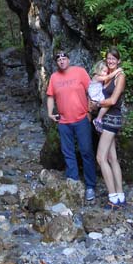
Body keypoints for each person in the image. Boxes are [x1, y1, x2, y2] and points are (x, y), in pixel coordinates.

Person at [46, 50, 97, 202]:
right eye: (58, 59)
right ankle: (73, 182)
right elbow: (50, 96)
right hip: (64, 122)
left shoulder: (80, 72)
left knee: (86, 151)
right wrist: (50, 113)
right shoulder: (54, 77)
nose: (61, 61)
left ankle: (90, 186)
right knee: (68, 152)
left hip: (81, 119)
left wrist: (90, 110)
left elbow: (92, 91)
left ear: (69, 59)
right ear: (56, 63)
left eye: (64, 58)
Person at [93, 47, 126, 209]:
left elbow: (113, 101)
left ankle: (112, 198)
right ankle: (120, 196)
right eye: (108, 59)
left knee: (100, 158)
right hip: (105, 118)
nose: (110, 61)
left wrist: (97, 104)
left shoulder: (120, 76)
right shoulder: (106, 76)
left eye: (113, 59)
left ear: (118, 60)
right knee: (112, 158)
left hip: (112, 119)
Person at [88, 60, 123, 133]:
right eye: (104, 71)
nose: (105, 74)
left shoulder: (100, 77)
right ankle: (98, 119)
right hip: (95, 95)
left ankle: (98, 118)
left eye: (106, 72)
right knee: (107, 103)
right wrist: (117, 71)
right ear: (98, 70)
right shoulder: (96, 77)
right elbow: (108, 77)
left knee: (107, 103)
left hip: (97, 95)